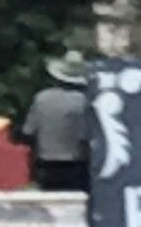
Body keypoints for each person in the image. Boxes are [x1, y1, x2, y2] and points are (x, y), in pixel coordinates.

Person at [18, 59, 95, 194]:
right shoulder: (84, 102)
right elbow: (87, 137)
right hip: (76, 165)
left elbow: (28, 132)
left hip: (45, 165)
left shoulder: (41, 98)